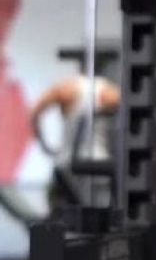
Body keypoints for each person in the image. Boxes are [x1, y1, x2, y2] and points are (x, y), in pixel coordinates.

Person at [29, 69, 120, 210]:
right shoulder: (109, 92)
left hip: (81, 167)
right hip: (86, 166)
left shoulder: (66, 89)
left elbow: (35, 112)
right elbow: (35, 112)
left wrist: (41, 140)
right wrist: (43, 143)